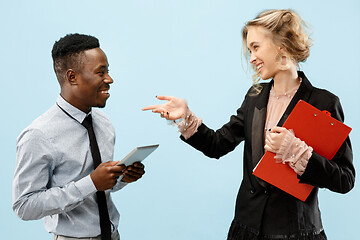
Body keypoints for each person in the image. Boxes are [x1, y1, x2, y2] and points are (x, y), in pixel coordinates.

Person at [142, 9, 355, 240]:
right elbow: (218, 144)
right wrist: (186, 117)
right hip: (246, 229)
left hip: (297, 232)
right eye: (249, 50)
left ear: (281, 46)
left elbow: (344, 179)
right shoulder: (255, 96)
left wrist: (296, 150)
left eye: (255, 47)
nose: (251, 58)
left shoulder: (324, 102)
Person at [13, 33, 145, 240]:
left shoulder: (103, 123)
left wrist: (121, 178)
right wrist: (91, 183)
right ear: (72, 77)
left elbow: (101, 187)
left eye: (107, 71)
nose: (109, 79)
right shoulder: (38, 135)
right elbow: (24, 206)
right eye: (100, 73)